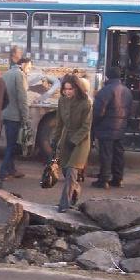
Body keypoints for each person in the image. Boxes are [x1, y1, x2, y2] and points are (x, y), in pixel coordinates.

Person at [52, 74, 93, 213]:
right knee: (65, 170)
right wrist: (54, 139)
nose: (67, 91)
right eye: (65, 89)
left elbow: (86, 127)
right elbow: (59, 123)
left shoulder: (85, 103)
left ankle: (64, 205)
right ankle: (75, 188)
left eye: (70, 89)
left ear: (77, 88)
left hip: (81, 142)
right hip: (66, 138)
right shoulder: (61, 101)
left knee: (71, 171)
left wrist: (74, 140)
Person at [91, 66, 133, 189]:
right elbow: (130, 110)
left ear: (107, 77)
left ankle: (104, 180)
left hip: (106, 127)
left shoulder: (105, 91)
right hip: (121, 127)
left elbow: (98, 112)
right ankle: (118, 179)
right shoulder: (127, 91)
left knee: (106, 154)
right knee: (118, 154)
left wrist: (95, 124)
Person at [0, 57, 29, 181]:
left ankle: (12, 170)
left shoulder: (6, 74)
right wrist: (25, 117)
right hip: (15, 116)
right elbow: (22, 98)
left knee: (11, 144)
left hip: (5, 114)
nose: (29, 69)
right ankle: (2, 172)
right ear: (23, 64)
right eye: (29, 66)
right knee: (12, 146)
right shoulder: (20, 75)